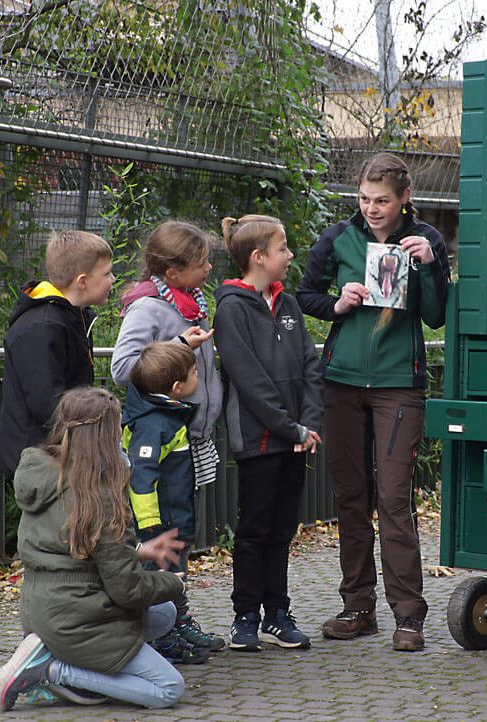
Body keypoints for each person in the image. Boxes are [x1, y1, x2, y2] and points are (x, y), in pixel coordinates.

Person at [296, 151, 450, 652]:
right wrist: (337, 303)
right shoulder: (338, 237)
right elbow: (305, 295)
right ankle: (358, 608)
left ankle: (408, 616)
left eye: (382, 200)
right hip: (341, 382)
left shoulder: (426, 240)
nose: (371, 208)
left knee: (394, 498)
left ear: (405, 197)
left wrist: (430, 268)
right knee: (351, 498)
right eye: (364, 198)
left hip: (398, 384)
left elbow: (436, 317)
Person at [0, 387, 189, 711]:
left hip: (41, 610)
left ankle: (56, 660)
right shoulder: (99, 494)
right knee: (169, 688)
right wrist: (175, 583)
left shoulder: (45, 473)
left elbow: (73, 553)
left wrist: (137, 551)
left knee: (164, 614)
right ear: (105, 435)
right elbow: (128, 590)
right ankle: (52, 671)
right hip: (79, 620)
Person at [110, 219, 224, 651]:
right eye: (201, 263)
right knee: (164, 534)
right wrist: (179, 345)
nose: (209, 269)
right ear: (172, 271)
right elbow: (123, 368)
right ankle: (162, 625)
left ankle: (177, 616)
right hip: (161, 437)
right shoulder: (147, 308)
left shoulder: (192, 301)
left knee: (181, 532)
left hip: (189, 435)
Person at [214, 214, 323, 652]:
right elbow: (250, 381)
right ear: (258, 257)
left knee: (283, 529)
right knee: (254, 530)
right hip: (259, 442)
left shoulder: (290, 305)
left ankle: (278, 613)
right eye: (283, 248)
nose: (290, 255)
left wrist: (308, 424)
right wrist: (289, 425)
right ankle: (245, 615)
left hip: (295, 439)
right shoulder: (231, 309)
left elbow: (310, 365)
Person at [122, 340, 220, 660]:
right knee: (161, 577)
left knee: (174, 573)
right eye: (194, 372)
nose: (198, 376)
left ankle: (179, 623)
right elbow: (141, 476)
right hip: (161, 522)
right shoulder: (153, 424)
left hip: (174, 515)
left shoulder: (166, 413)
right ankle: (163, 637)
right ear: (177, 387)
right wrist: (151, 525)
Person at [0, 230, 115, 477]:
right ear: (82, 281)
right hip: (42, 460)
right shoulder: (42, 327)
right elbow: (48, 404)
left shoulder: (72, 317)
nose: (112, 280)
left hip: (64, 453)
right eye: (107, 274)